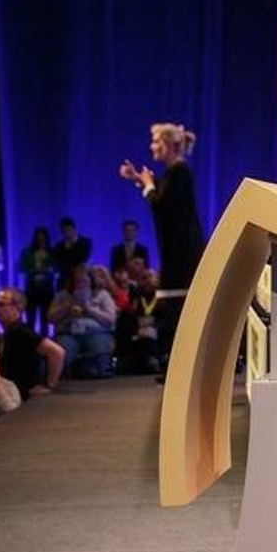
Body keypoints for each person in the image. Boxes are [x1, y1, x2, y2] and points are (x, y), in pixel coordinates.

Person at [120, 122, 206, 369]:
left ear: (170, 145)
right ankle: (180, 367)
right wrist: (141, 179)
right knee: (174, 310)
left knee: (178, 310)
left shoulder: (180, 171)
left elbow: (160, 203)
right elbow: (163, 193)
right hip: (177, 252)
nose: (152, 146)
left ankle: (184, 368)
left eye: (157, 142)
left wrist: (147, 184)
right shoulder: (174, 173)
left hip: (182, 254)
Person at [0, 287, 63, 398]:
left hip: (23, 393)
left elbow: (57, 352)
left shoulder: (22, 332)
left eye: (1, 304)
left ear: (17, 308)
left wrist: (49, 386)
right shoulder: (6, 333)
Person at [49, 263, 117, 378]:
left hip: (96, 332)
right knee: (62, 360)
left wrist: (88, 309)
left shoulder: (102, 295)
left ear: (91, 281)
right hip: (69, 332)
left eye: (84, 281)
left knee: (101, 365)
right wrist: (68, 306)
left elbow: (110, 319)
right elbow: (51, 318)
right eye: (77, 281)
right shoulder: (62, 295)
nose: (81, 284)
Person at [17, 227, 56, 333]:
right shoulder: (27, 252)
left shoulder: (52, 252)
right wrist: (35, 270)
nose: (41, 241)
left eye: (43, 239)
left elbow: (55, 268)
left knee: (45, 318)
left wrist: (46, 270)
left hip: (47, 288)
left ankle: (44, 341)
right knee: (30, 317)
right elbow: (21, 268)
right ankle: (31, 342)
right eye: (39, 239)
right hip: (31, 288)